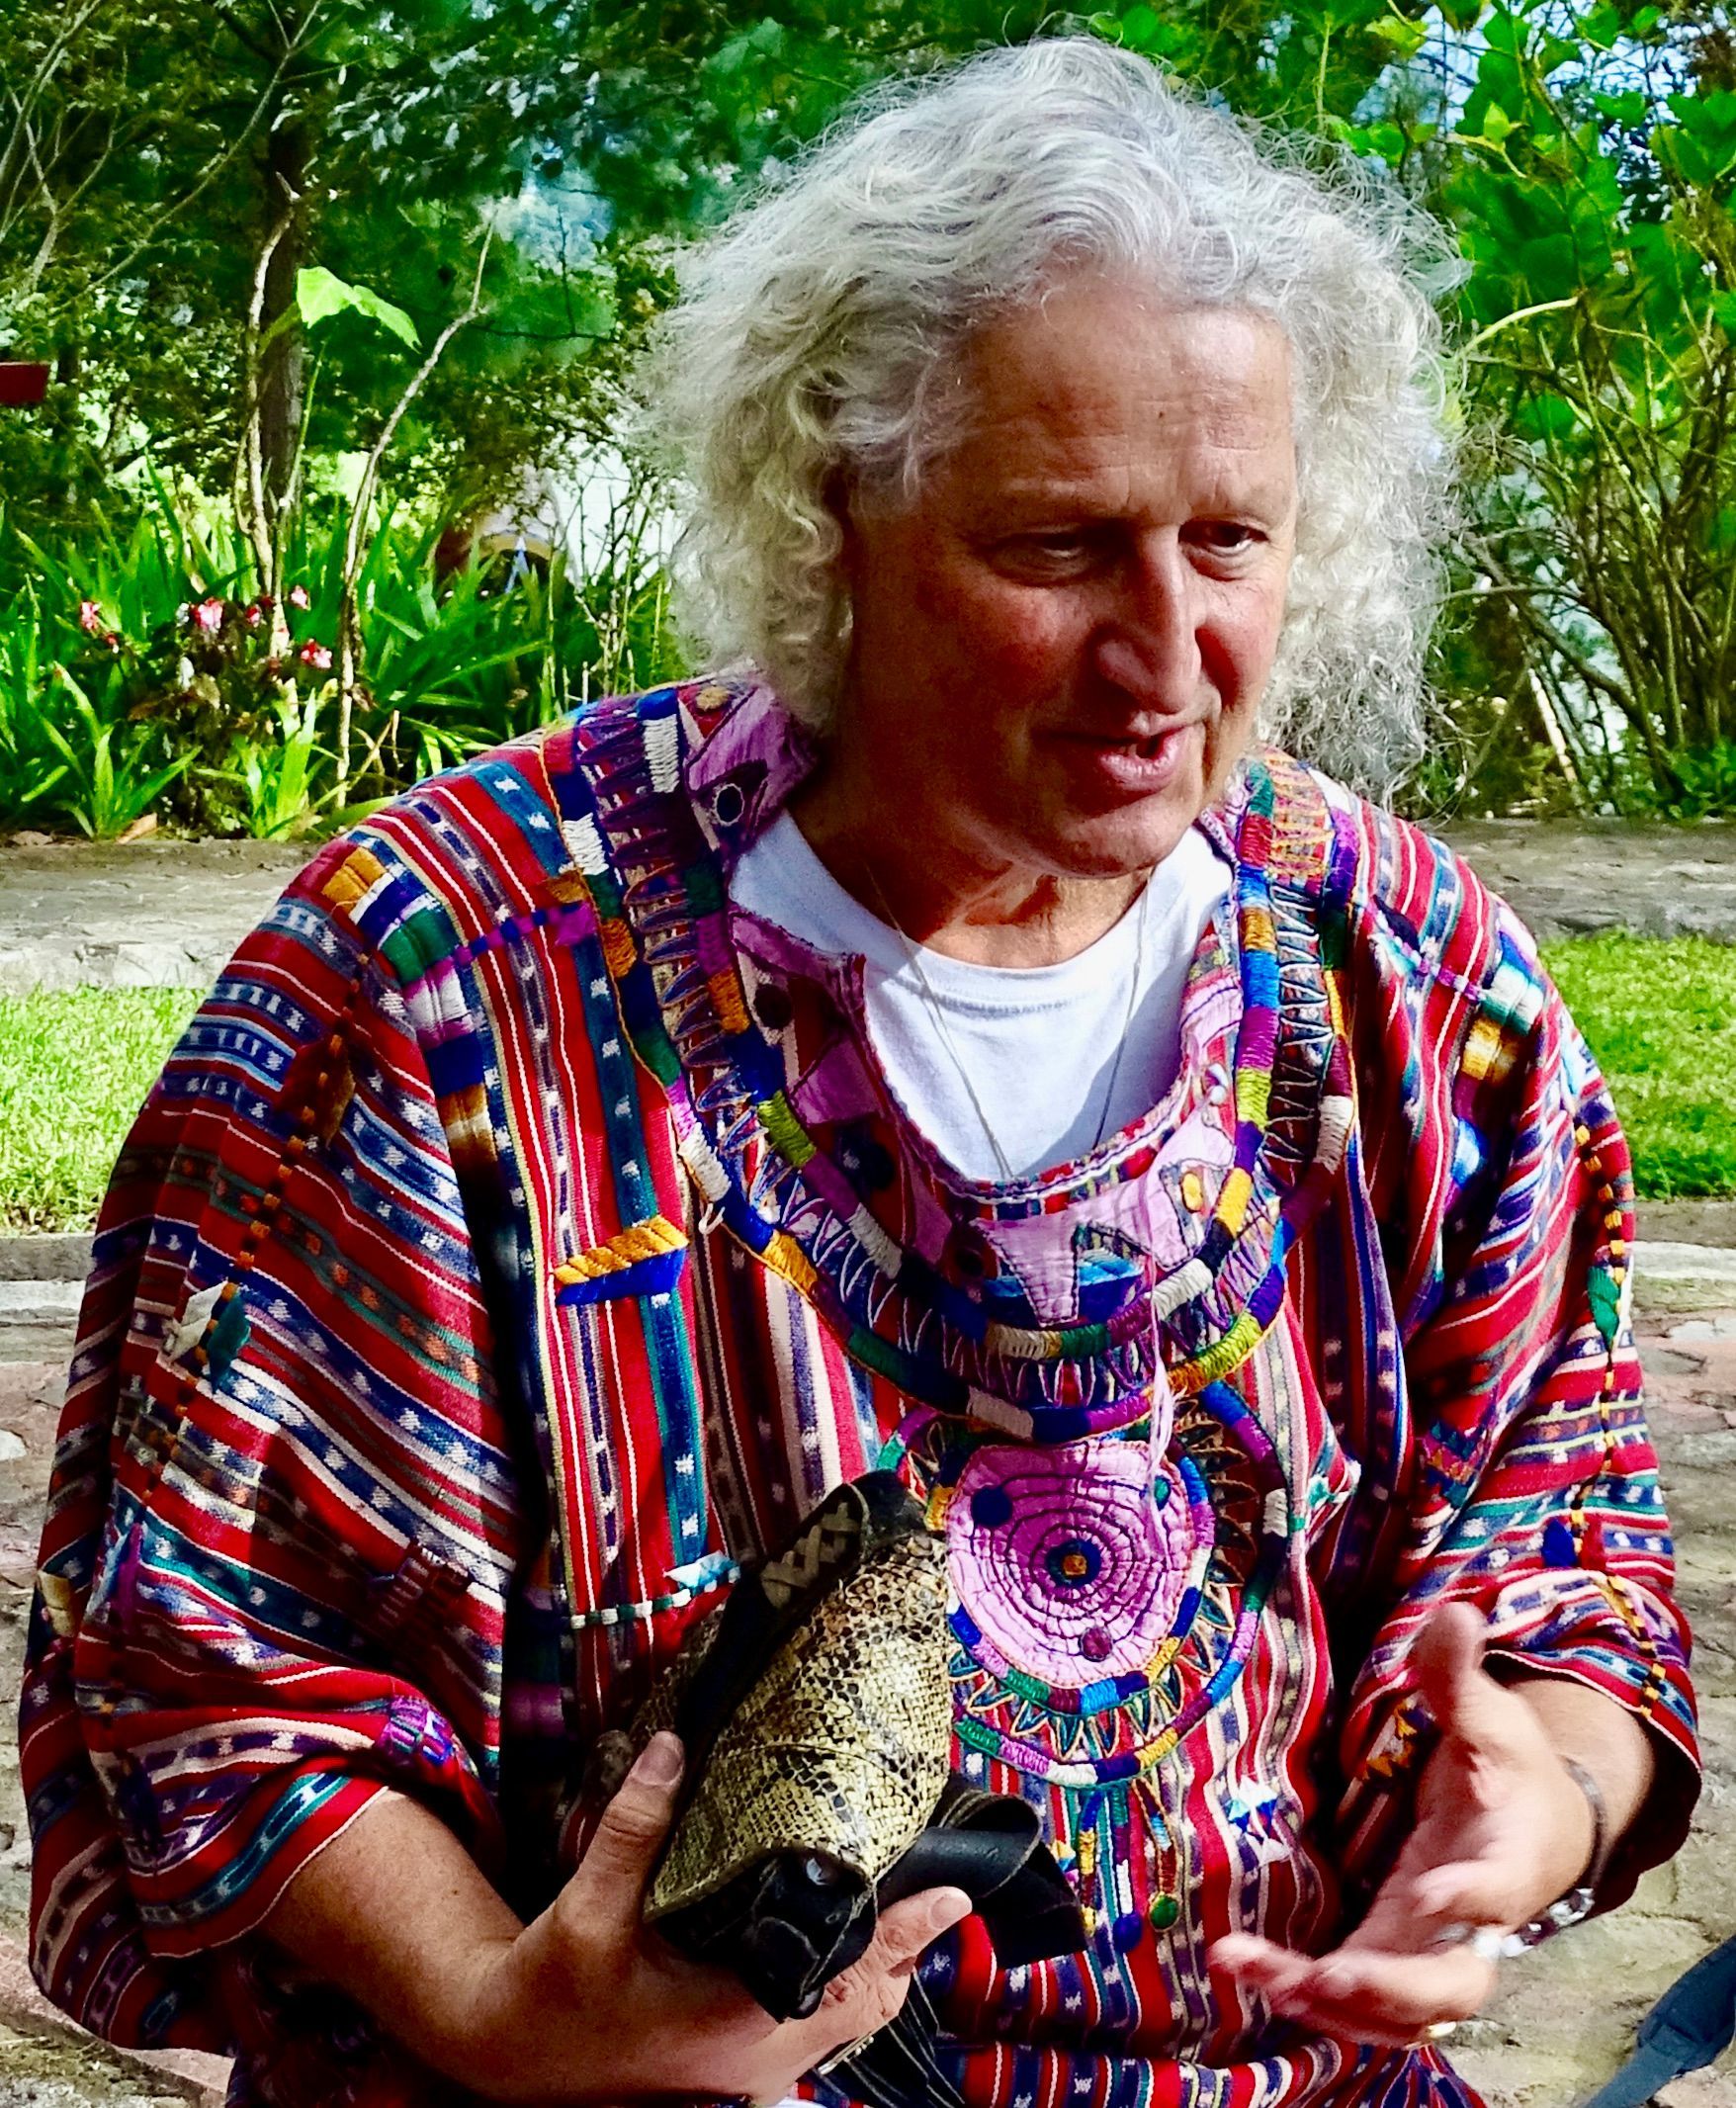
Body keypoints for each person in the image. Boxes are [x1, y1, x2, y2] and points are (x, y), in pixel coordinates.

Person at [21, 38, 1696, 2108]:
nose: (1166, 650)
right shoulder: (441, 979)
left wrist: (1532, 1786)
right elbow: (210, 1641)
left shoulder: (1412, 980)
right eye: (1059, 547)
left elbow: (1564, 1542)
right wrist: (492, 2008)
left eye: (1229, 542)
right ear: (838, 508)